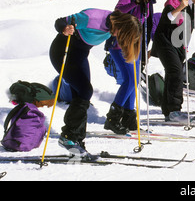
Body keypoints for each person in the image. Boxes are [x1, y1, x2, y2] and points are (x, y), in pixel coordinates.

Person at [50, 9, 142, 157]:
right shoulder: (92, 18)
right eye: (122, 35)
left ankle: (76, 142)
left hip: (79, 55)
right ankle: (68, 137)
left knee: (82, 94)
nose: (119, 38)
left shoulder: (112, 27)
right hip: (63, 51)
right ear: (120, 26)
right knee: (85, 90)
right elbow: (60, 21)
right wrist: (65, 28)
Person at [104, 0, 168, 134]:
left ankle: (128, 117)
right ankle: (113, 117)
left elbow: (147, 24)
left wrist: (146, 47)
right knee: (130, 80)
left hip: (137, 43)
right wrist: (135, 2)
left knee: (134, 80)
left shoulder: (150, 1)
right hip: (121, 41)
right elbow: (117, 12)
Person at [151, 0, 195, 122]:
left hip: (179, 46)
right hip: (165, 40)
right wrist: (180, 8)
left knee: (172, 74)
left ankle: (168, 111)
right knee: (176, 72)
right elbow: (167, 18)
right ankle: (175, 110)